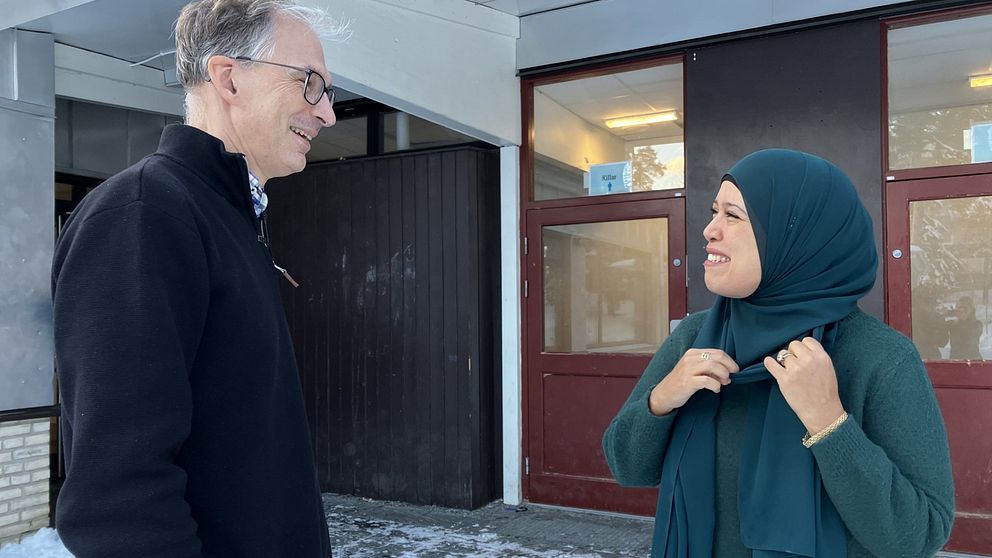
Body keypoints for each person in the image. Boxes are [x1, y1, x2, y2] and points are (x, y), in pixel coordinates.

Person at [51, 1, 342, 556]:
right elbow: (119, 500)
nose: (327, 113)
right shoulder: (144, 214)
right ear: (229, 78)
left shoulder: (229, 216)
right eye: (311, 84)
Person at [603, 149, 954, 557]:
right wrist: (661, 399)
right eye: (714, 211)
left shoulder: (880, 358)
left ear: (797, 237)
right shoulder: (698, 338)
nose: (709, 230)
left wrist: (829, 422)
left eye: (732, 215)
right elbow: (627, 468)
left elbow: (918, 537)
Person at [947, 295, 982, 360]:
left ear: (971, 310)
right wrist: (944, 315)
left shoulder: (977, 324)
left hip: (973, 363)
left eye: (965, 307)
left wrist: (963, 318)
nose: (962, 310)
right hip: (955, 363)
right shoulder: (952, 324)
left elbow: (968, 339)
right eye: (960, 307)